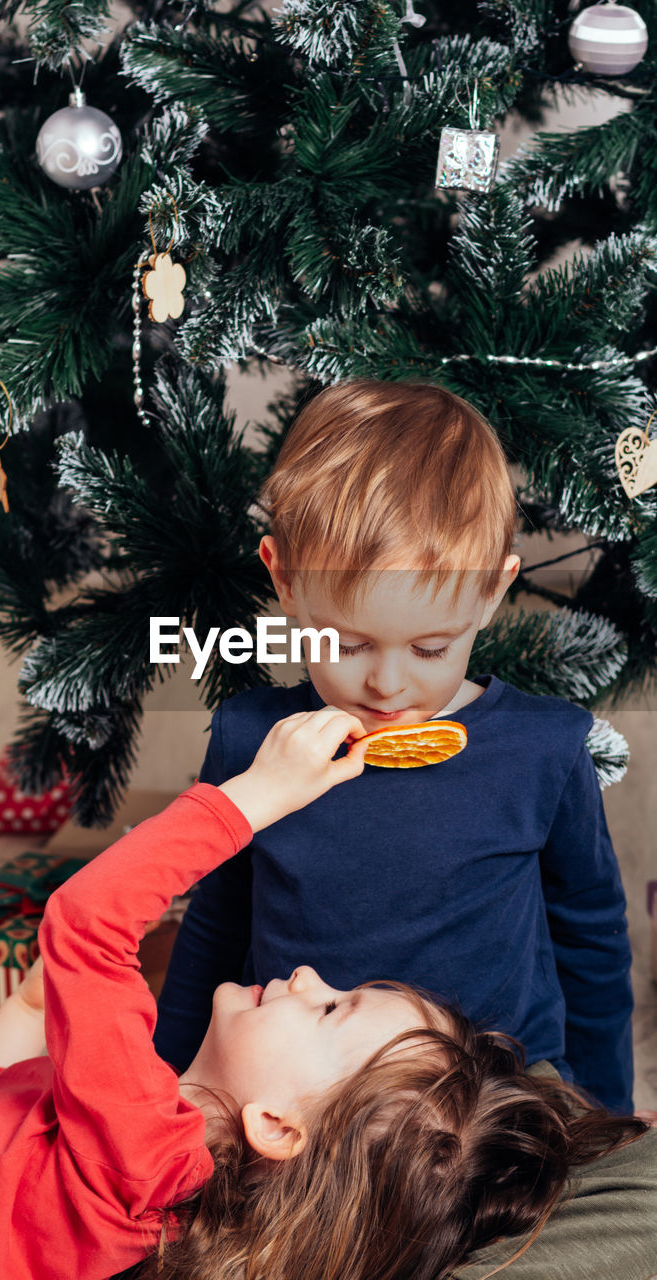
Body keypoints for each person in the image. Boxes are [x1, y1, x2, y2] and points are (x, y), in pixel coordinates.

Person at [0, 708, 649, 1280]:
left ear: (276, 1125)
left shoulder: (147, 1147)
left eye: (329, 1008)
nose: (312, 974)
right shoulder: (143, 1190)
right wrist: (29, 1014)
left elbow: (83, 921)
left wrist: (262, 794)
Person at [154, 378, 636, 1116]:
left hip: (499, 1097)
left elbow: (590, 937)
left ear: (490, 592)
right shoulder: (252, 737)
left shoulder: (543, 747)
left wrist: (600, 1107)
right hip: (310, 1104)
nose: (385, 682)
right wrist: (164, 1088)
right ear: (283, 578)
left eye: (430, 647)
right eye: (347, 643)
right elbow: (216, 921)